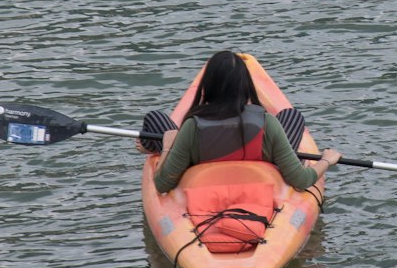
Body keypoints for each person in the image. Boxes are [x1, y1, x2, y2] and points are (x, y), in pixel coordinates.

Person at [143, 50, 340, 195]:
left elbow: (162, 184)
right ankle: (283, 157)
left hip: (203, 171)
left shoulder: (192, 126)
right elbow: (302, 180)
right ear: (245, 85)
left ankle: (148, 144)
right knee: (291, 115)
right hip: (259, 168)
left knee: (155, 119)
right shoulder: (266, 122)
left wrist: (167, 146)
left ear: (207, 86)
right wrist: (326, 160)